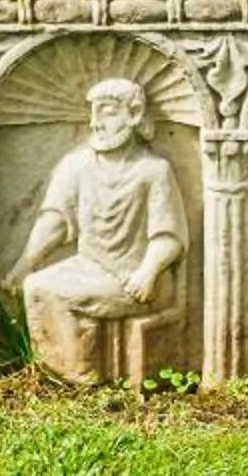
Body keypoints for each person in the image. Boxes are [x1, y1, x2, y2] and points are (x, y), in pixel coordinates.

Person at [18, 77, 188, 386]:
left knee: (57, 292)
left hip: (133, 276)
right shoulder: (77, 165)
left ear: (134, 114)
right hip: (88, 266)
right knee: (35, 285)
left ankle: (79, 376)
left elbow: (169, 236)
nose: (95, 123)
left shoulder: (153, 170)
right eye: (93, 113)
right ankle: (61, 370)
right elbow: (55, 220)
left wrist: (148, 272)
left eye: (107, 112)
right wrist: (25, 264)